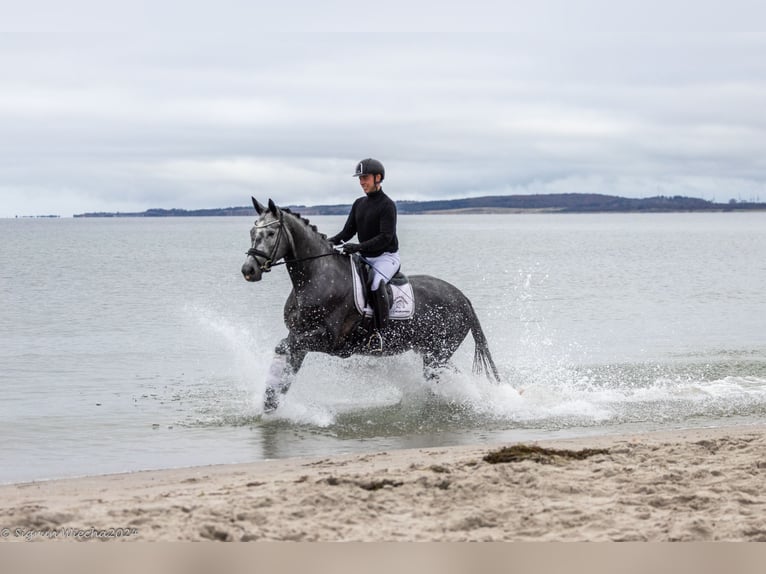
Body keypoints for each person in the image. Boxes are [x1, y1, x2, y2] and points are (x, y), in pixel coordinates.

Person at [329, 158, 399, 351]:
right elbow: (346, 233)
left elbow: (386, 237)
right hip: (364, 256)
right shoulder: (359, 203)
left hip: (385, 257)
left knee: (376, 284)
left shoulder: (387, 205)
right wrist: (324, 243)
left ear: (378, 178)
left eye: (365, 177)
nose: (362, 182)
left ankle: (380, 333)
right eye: (360, 178)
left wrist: (358, 247)